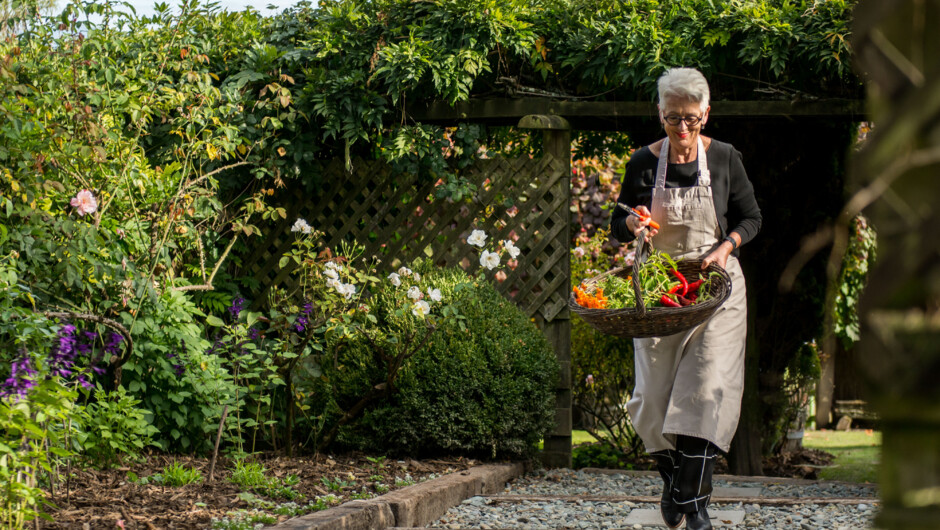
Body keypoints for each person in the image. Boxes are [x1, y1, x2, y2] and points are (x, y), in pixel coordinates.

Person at [610, 67, 762, 530]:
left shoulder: (726, 158)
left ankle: (693, 503)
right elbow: (618, 223)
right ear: (660, 113)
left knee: (705, 387)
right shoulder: (642, 161)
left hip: (716, 289)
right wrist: (634, 224)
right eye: (673, 117)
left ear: (706, 114)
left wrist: (724, 247)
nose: (682, 128)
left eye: (691, 119)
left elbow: (751, 218)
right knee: (652, 398)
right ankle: (676, 482)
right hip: (661, 291)